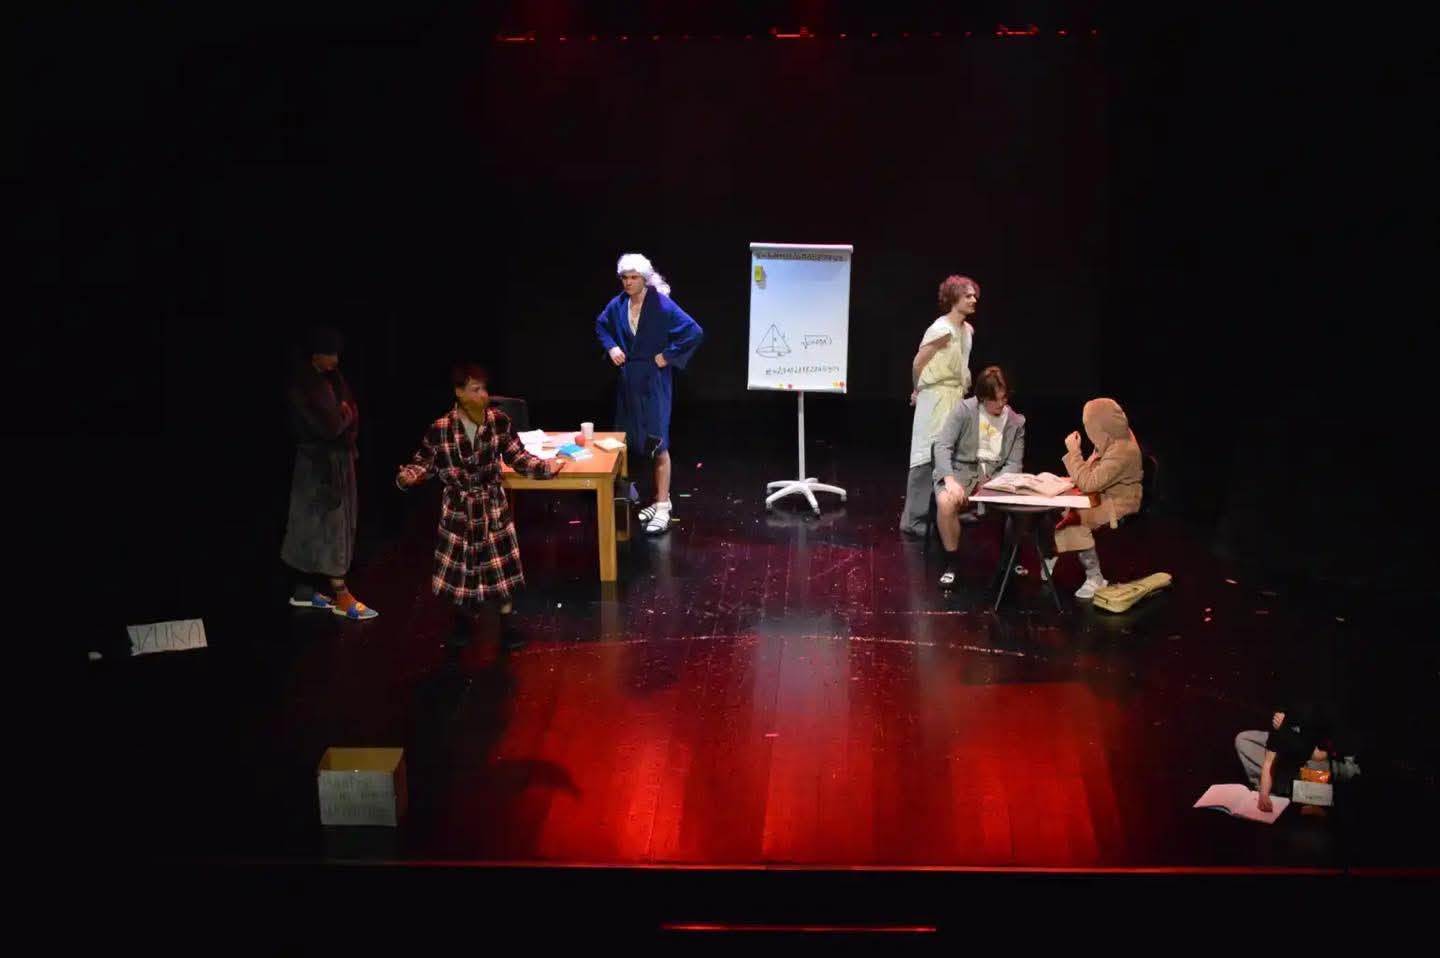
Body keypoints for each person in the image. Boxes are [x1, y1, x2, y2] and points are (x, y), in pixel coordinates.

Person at [396, 364, 562, 650]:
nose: (483, 395)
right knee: (461, 569)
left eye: (484, 388)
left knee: (501, 567)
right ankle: (462, 622)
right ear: (459, 393)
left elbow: (517, 456)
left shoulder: (498, 421)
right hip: (459, 508)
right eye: (475, 389)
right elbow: (423, 463)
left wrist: (545, 467)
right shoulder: (441, 428)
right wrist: (408, 477)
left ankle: (507, 624)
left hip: (491, 503)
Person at [595, 253, 704, 535]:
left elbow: (694, 331)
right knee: (631, 439)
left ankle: (663, 505)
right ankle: (653, 499)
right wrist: (612, 347)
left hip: (654, 379)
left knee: (658, 441)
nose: (628, 282)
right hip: (629, 379)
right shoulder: (619, 304)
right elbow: (602, 325)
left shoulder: (661, 304)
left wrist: (668, 355)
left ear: (644, 279)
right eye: (624, 277)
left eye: (634, 278)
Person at [280, 326, 376, 619]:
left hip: (335, 460)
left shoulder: (334, 378)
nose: (335, 359)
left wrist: (344, 416)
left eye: (336, 353)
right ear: (314, 355)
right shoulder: (303, 384)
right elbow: (330, 425)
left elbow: (350, 415)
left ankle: (304, 589)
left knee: (322, 524)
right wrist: (344, 414)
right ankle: (340, 592)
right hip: (317, 466)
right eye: (328, 353)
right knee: (327, 525)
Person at [931, 366, 1025, 587]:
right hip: (961, 473)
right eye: (995, 400)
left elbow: (1014, 463)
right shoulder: (964, 411)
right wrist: (950, 480)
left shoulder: (1015, 422)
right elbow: (942, 446)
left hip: (996, 477)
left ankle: (1009, 560)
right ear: (982, 397)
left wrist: (995, 484)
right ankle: (952, 563)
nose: (1001, 404)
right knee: (945, 502)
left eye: (1004, 398)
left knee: (1020, 506)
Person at [901, 275, 980, 536]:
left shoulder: (967, 331)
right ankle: (913, 520)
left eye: (974, 295)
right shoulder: (941, 329)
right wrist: (917, 389)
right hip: (935, 396)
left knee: (956, 452)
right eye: (967, 295)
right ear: (953, 298)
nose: (973, 299)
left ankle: (953, 507)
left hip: (955, 396)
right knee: (927, 454)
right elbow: (918, 363)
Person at [1042, 398, 1143, 599]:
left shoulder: (1123, 450)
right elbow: (1090, 475)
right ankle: (1052, 550)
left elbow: (1089, 483)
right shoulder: (1109, 441)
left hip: (1120, 503)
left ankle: (1095, 576)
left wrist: (1074, 452)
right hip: (1101, 495)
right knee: (1054, 506)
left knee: (1077, 519)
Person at [1235, 703, 1361, 813]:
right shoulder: (1282, 720)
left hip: (1333, 762)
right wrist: (1264, 795)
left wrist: (1286, 732)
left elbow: (1318, 755)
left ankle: (1310, 798)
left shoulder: (1315, 716)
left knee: (1314, 766)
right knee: (1247, 741)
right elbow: (1269, 761)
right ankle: (1283, 789)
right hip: (1295, 760)